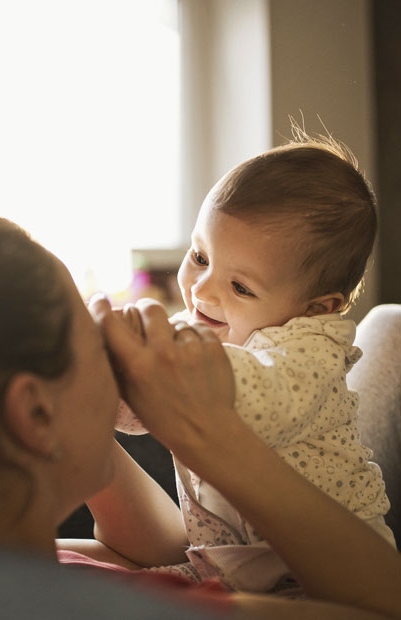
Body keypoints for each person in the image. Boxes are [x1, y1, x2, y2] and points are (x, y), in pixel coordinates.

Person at [0, 211, 399, 619]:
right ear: (35, 411)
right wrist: (206, 432)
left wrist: (75, 416)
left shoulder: (31, 558)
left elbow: (163, 549)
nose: (111, 349)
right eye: (91, 336)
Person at [114, 136, 395, 591]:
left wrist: (165, 362)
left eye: (240, 287)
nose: (203, 291)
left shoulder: (312, 350)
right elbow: (143, 414)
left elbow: (263, 401)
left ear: (319, 307)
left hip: (330, 568)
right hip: (229, 562)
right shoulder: (198, 322)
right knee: (128, 590)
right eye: (200, 257)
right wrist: (106, 377)